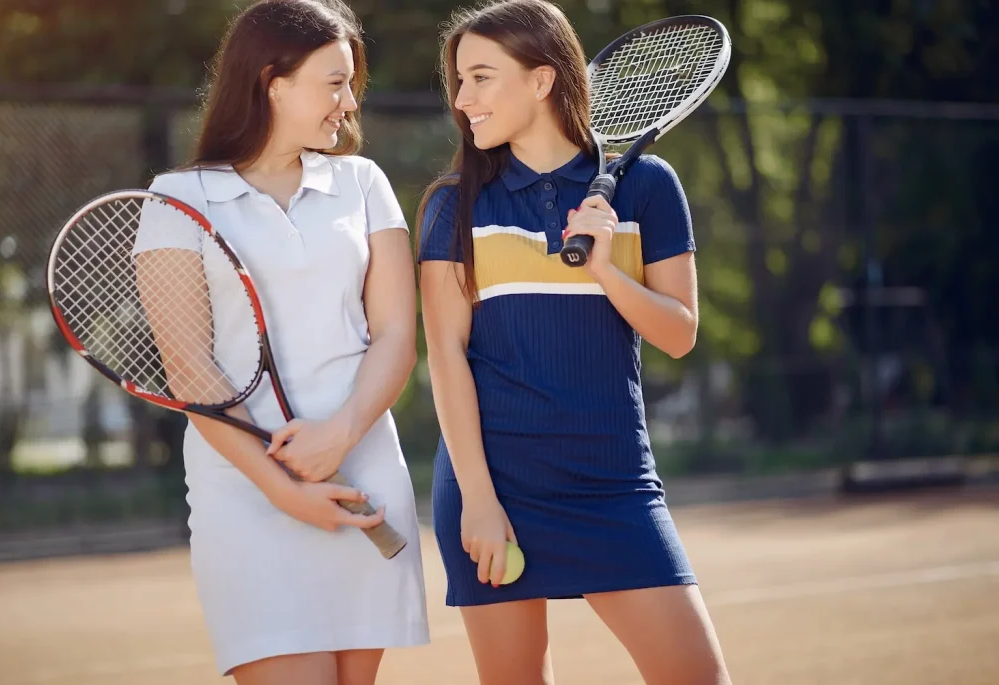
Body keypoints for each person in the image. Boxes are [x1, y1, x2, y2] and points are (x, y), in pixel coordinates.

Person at [415, 1, 732, 683]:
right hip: (494, 485)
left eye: (481, 77)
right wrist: (478, 495)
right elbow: (445, 356)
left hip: (613, 483)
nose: (463, 99)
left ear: (540, 80)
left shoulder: (648, 188)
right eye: (459, 81)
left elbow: (679, 332)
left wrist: (603, 268)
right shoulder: (453, 203)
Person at [136, 1, 429, 683]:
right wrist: (279, 486)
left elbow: (394, 335)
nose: (348, 102)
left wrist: (341, 431)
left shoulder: (363, 183)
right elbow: (188, 365)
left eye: (351, 82)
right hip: (243, 494)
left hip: (364, 475)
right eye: (333, 83)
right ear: (272, 80)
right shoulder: (178, 197)